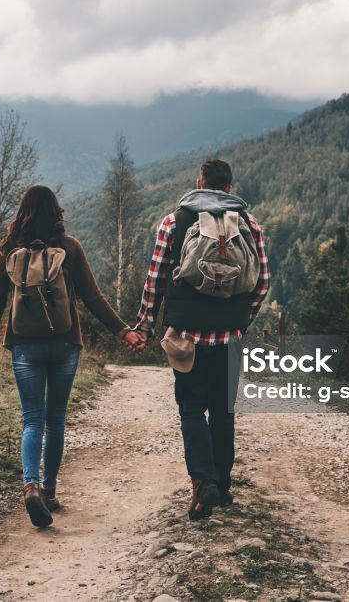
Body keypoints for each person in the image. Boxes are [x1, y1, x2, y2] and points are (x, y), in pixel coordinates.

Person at [0, 185, 144, 527]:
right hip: (65, 343)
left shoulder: (9, 249)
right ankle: (50, 491)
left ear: (22, 212)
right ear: (56, 214)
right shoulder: (69, 248)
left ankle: (30, 486)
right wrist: (124, 330)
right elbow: (94, 297)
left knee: (32, 419)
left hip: (24, 344)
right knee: (55, 419)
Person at [130, 159, 270, 520]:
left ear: (199, 182)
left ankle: (202, 481)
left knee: (191, 408)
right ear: (229, 187)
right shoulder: (249, 223)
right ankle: (221, 485)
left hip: (187, 336)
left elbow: (156, 278)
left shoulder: (174, 222)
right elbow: (262, 282)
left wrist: (145, 324)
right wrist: (243, 320)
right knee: (223, 410)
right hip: (230, 337)